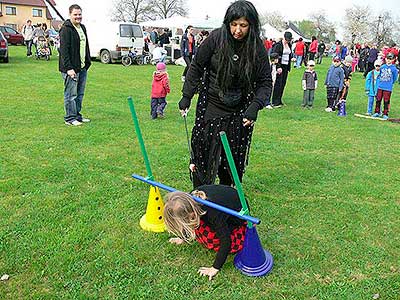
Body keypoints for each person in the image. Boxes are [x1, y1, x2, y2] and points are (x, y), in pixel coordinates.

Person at [178, 0, 272, 188]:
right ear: (228, 23)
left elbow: (265, 82)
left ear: (251, 26)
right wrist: (187, 95)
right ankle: (201, 194)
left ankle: (226, 194)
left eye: (243, 25)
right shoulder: (215, 38)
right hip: (211, 105)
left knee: (231, 161)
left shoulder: (257, 47)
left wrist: (254, 107)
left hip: (240, 112)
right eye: (234, 24)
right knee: (203, 155)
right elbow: (196, 66)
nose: (238, 30)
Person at [164, 184, 247, 280]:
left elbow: (226, 241)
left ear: (191, 215)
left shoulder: (213, 214)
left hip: (237, 214)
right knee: (198, 226)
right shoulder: (189, 200)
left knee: (212, 239)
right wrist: (182, 238)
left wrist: (215, 268)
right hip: (223, 200)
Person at [59, 4, 91, 126]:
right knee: (71, 94)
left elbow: (85, 46)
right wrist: (69, 68)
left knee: (80, 94)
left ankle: (77, 115)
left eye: (79, 14)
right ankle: (70, 118)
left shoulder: (82, 27)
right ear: (70, 15)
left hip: (82, 67)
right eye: (75, 14)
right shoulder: (66, 29)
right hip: (71, 69)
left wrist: (87, 62)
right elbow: (64, 51)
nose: (78, 17)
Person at [372, 53, 398, 120]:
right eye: (387, 59)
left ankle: (385, 113)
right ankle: (377, 112)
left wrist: (390, 83)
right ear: (385, 59)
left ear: (393, 60)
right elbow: (380, 75)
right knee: (378, 99)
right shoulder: (382, 67)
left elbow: (395, 78)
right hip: (380, 86)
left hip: (388, 87)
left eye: (390, 59)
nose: (388, 60)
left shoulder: (394, 68)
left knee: (386, 101)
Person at [271, 31, 293, 107]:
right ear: (284, 38)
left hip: (286, 66)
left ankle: (279, 100)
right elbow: (274, 56)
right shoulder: (278, 45)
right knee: (278, 84)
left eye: (289, 40)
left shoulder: (289, 45)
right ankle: (275, 101)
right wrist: (278, 66)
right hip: (280, 66)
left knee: (283, 83)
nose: (288, 41)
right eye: (287, 39)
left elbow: (289, 55)